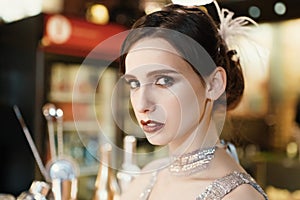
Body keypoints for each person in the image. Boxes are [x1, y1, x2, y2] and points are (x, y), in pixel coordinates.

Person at [118, 2, 268, 200]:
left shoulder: (238, 196)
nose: (142, 105)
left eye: (164, 81)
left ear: (213, 84)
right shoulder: (147, 177)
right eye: (135, 84)